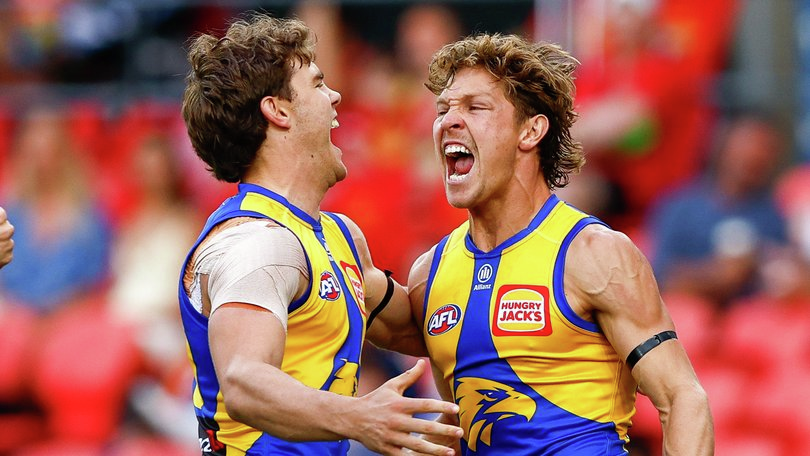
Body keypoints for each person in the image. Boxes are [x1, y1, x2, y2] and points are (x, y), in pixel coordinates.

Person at [406, 33, 713, 454]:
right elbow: (461, 424)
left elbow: (682, 399)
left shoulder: (593, 254)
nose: (448, 122)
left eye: (475, 107)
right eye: (443, 110)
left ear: (531, 131)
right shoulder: (429, 274)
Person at [178, 13, 462, 456]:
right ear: (277, 110)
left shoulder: (339, 235)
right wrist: (361, 418)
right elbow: (244, 381)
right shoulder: (255, 242)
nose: (336, 96)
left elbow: (417, 328)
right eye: (318, 83)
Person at [647, 112, 789, 307]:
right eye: (746, 144)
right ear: (723, 146)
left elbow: (781, 279)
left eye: (765, 148)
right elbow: (659, 279)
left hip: (748, 317)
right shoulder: (679, 207)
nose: (754, 155)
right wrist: (716, 274)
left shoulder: (773, 216)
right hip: (683, 314)